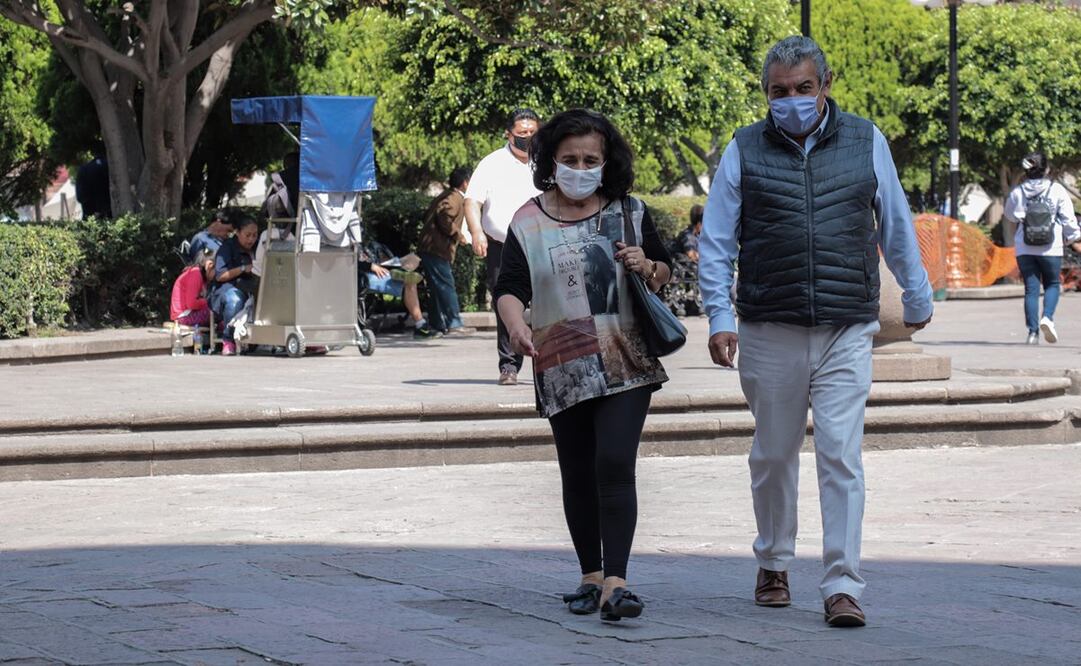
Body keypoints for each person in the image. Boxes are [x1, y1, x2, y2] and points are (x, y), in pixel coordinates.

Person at [698, 36, 934, 628]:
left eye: (804, 88)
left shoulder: (865, 139)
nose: (793, 100)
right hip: (768, 325)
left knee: (841, 457)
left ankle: (842, 584)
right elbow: (718, 241)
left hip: (845, 324)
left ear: (824, 85)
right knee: (773, 455)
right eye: (780, 92)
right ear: (766, 95)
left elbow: (895, 220)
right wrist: (720, 317)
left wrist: (916, 291)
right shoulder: (744, 149)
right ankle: (774, 562)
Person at [494, 109, 673, 623]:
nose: (579, 167)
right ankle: (590, 576)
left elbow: (664, 270)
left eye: (590, 159)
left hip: (624, 359)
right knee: (577, 471)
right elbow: (509, 287)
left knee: (614, 463)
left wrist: (647, 265)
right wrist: (515, 325)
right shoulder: (528, 219)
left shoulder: (629, 210)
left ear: (605, 162)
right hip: (559, 360)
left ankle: (617, 581)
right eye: (569, 158)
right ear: (551, 160)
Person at [465, 108, 542, 385]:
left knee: (549, 304)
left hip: (543, 245)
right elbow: (472, 201)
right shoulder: (492, 163)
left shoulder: (546, 161)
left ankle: (547, 360)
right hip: (504, 246)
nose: (528, 138)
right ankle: (509, 365)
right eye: (522, 134)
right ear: (508, 134)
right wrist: (476, 232)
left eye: (533, 133)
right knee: (507, 305)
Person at [1002, 151, 1081, 344]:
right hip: (1050, 246)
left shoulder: (1018, 192)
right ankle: (1047, 317)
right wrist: (1074, 238)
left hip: (1025, 246)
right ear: (1046, 169)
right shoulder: (1056, 190)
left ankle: (1032, 333)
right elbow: (1069, 220)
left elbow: (1010, 216)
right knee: (1053, 284)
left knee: (1031, 289)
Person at [417, 167, 475, 335]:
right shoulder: (454, 198)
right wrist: (459, 235)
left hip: (431, 248)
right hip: (437, 249)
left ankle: (437, 323)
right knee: (445, 285)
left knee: (436, 287)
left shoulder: (446, 195)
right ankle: (454, 323)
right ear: (465, 183)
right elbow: (444, 216)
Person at [360, 242, 432, 339]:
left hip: (370, 270)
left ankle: (401, 271)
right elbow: (354, 261)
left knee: (411, 265)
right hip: (364, 275)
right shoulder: (344, 239)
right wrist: (370, 266)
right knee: (409, 281)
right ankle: (421, 325)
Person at [211, 216, 259, 356]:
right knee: (235, 299)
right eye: (247, 235)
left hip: (252, 287)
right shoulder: (227, 248)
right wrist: (244, 268)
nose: (251, 239)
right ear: (237, 233)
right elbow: (220, 275)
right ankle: (228, 341)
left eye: (254, 235)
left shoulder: (259, 247)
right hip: (227, 289)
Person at [170, 249, 215, 328]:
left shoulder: (201, 276)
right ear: (209, 265)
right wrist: (207, 301)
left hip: (188, 314)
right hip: (183, 316)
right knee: (217, 309)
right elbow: (192, 303)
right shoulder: (195, 274)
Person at [75, 141, 112, 219]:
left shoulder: (84, 169)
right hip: (111, 214)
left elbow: (80, 197)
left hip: (91, 217)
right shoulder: (114, 169)